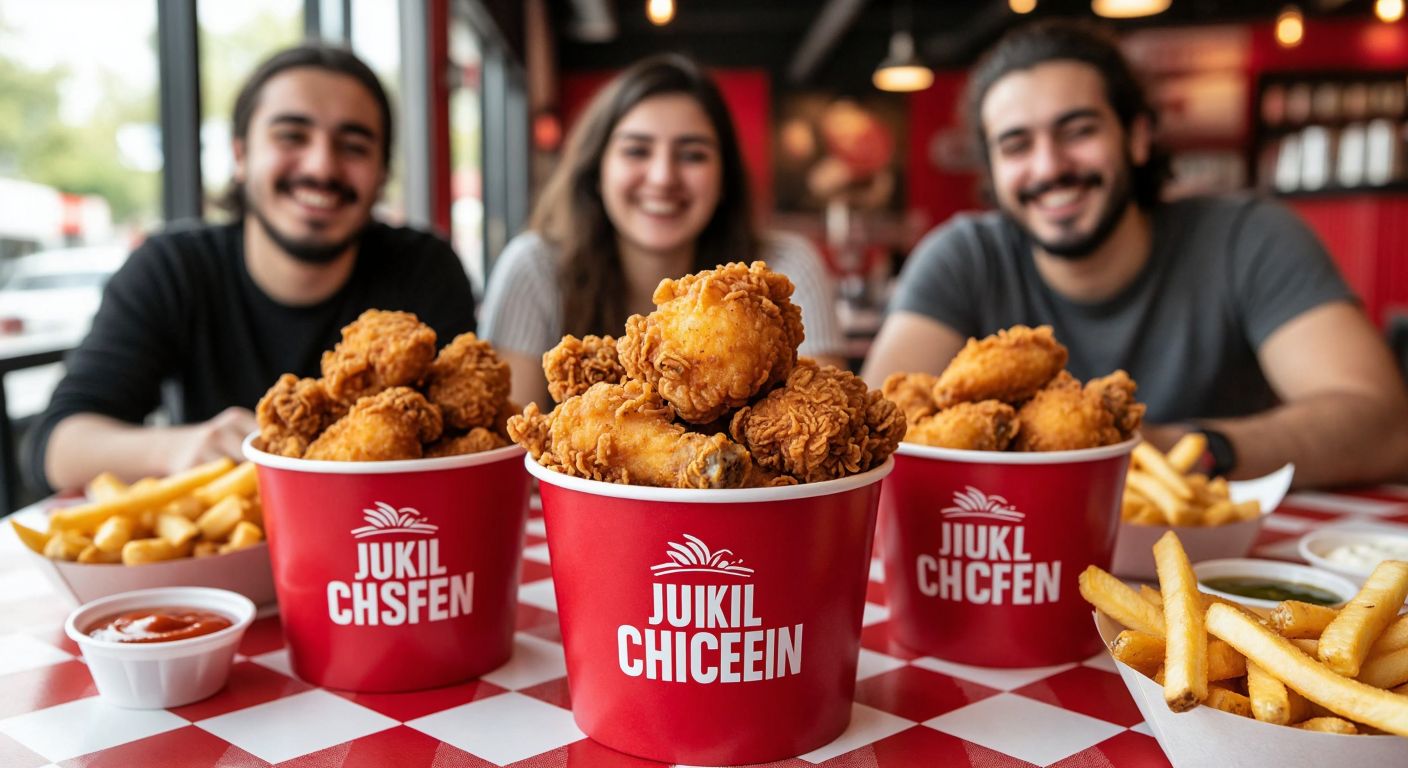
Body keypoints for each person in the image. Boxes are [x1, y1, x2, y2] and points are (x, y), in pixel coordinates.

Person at [861, 20, 1408, 489]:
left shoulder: (1252, 239)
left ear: (1138, 136)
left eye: (1078, 131)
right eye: (1017, 145)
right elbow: (876, 431)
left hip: (1219, 564)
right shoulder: (961, 256)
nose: (1049, 166)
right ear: (994, 171)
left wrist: (1182, 450)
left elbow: (1385, 424)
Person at [27, 43, 476, 492]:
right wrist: (179, 448)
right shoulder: (173, 269)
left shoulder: (425, 268)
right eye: (291, 136)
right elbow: (57, 447)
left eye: (353, 146)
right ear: (240, 155)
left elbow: (470, 431)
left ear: (381, 174)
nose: (322, 166)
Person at [481, 53, 844, 409]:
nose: (663, 177)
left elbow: (826, 423)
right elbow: (510, 449)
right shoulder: (533, 268)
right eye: (637, 150)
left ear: (724, 179)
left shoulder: (784, 271)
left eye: (692, 155)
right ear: (596, 171)